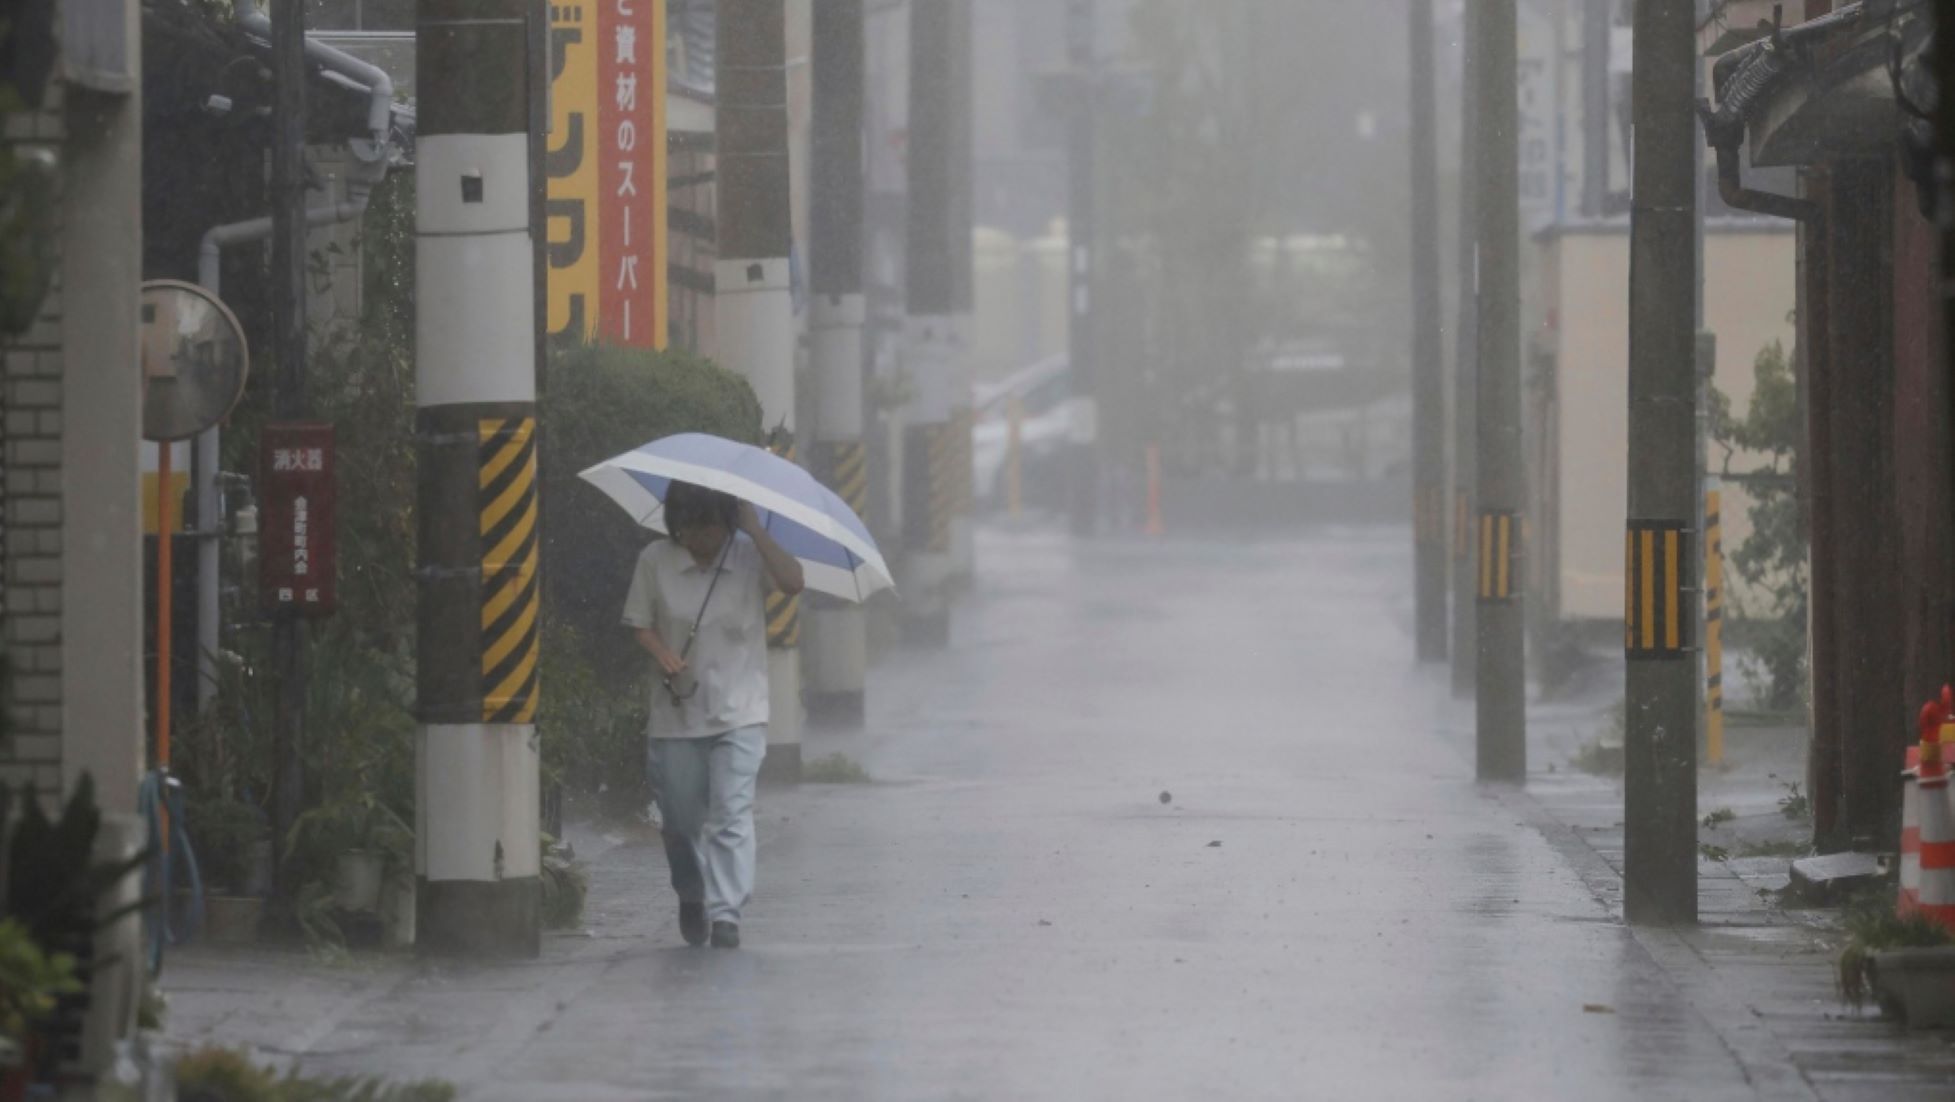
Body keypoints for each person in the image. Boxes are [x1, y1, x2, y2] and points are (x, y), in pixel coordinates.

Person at [622, 481, 804, 949]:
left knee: (731, 812)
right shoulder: (655, 561)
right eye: (690, 528)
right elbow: (639, 623)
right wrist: (662, 653)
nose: (701, 538)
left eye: (710, 526)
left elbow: (793, 582)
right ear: (675, 526)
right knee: (681, 821)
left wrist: (755, 531)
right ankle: (691, 892)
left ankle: (726, 914)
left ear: (726, 522)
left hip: (740, 711)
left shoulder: (747, 555)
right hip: (676, 716)